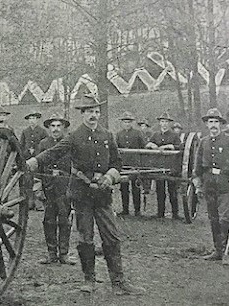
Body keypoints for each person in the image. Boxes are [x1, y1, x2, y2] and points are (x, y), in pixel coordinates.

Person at [25, 93, 145, 295]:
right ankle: (89, 280)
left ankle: (118, 282)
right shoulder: (74, 137)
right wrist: (33, 162)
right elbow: (54, 152)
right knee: (85, 239)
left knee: (112, 238)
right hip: (81, 195)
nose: (93, 115)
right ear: (82, 114)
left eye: (96, 111)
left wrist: (110, 176)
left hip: (103, 195)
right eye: (89, 111)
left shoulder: (107, 135)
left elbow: (117, 163)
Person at [192, 108, 229, 265]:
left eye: (216, 122)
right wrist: (197, 183)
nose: (213, 125)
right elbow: (198, 167)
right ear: (207, 125)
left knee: (224, 218)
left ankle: (226, 249)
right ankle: (217, 250)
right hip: (209, 185)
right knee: (213, 218)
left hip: (224, 185)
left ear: (221, 124)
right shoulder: (203, 142)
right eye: (211, 122)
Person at [36, 113, 75, 265]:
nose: (56, 129)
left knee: (64, 220)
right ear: (48, 128)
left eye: (59, 126)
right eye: (53, 126)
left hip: (64, 187)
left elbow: (74, 166)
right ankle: (52, 254)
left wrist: (71, 187)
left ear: (64, 128)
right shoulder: (43, 144)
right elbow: (38, 167)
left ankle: (64, 254)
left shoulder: (69, 143)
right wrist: (38, 188)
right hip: (48, 187)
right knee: (48, 221)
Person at [145, 111, 182, 219]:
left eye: (166, 122)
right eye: (162, 121)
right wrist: (151, 144)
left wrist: (171, 146)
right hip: (159, 167)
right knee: (160, 191)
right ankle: (160, 213)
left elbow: (180, 147)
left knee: (172, 191)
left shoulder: (174, 135)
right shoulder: (155, 134)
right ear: (159, 123)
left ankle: (175, 214)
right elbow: (147, 144)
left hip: (171, 167)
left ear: (169, 123)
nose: (164, 124)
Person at [116, 111, 146, 216]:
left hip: (135, 164)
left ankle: (137, 210)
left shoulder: (138, 133)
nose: (127, 124)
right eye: (125, 122)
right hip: (123, 164)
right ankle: (125, 210)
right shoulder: (119, 134)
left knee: (136, 187)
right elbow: (116, 148)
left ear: (132, 123)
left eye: (129, 122)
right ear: (122, 123)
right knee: (123, 187)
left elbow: (144, 147)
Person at [20, 111, 48, 211]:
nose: (32, 121)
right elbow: (21, 145)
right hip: (27, 159)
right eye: (30, 119)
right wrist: (26, 153)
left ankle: (39, 203)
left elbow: (46, 146)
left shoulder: (42, 131)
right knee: (28, 181)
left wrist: (36, 151)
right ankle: (29, 203)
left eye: (34, 118)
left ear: (38, 120)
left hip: (38, 159)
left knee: (38, 181)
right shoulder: (25, 131)